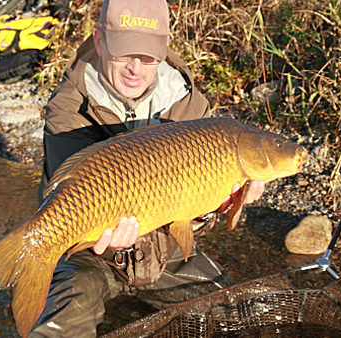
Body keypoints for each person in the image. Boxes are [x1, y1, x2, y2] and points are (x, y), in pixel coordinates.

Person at [31, 0, 264, 336]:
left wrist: (205, 213)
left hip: (165, 251)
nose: (135, 69)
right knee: (62, 322)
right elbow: (70, 197)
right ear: (99, 41)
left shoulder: (189, 104)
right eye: (124, 53)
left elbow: (193, 217)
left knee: (237, 319)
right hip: (87, 254)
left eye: (148, 57)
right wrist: (106, 237)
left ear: (164, 49)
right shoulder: (68, 110)